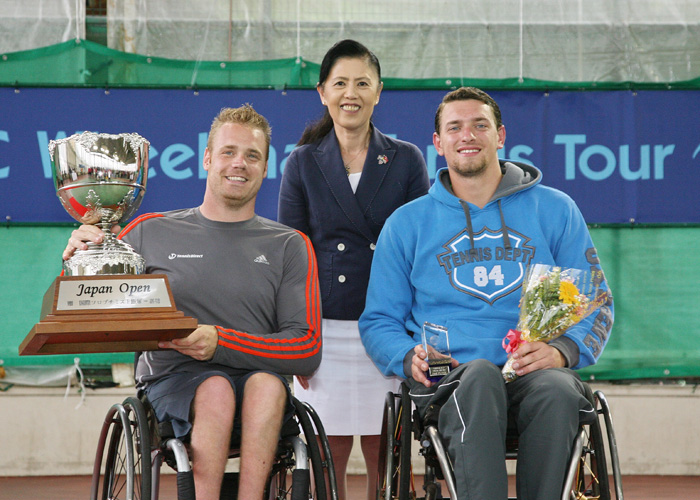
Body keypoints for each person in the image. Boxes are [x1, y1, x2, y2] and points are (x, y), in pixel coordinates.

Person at [359, 87, 614, 500]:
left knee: (557, 388)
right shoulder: (407, 223)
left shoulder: (556, 209)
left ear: (500, 136)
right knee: (477, 376)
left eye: (480, 125)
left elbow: (597, 303)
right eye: (454, 127)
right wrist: (407, 356)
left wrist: (563, 350)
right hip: (449, 376)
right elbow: (379, 321)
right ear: (439, 143)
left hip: (531, 373)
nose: (468, 135)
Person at [63, 105, 322, 500]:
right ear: (207, 158)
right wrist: (79, 259)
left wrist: (220, 342)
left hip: (259, 381)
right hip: (174, 379)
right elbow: (91, 306)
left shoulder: (290, 245)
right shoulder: (148, 231)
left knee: (268, 387)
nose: (240, 164)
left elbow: (306, 348)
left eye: (252, 155)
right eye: (228, 152)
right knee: (215, 389)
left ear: (266, 166)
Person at [278, 39, 429, 500]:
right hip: (323, 329)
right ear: (322, 92)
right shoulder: (302, 162)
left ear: (378, 91)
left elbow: (419, 250)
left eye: (362, 83)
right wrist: (295, 340)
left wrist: (414, 331)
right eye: (340, 83)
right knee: (330, 453)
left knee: (389, 454)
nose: (351, 93)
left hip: (386, 326)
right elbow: (292, 254)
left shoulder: (406, 158)